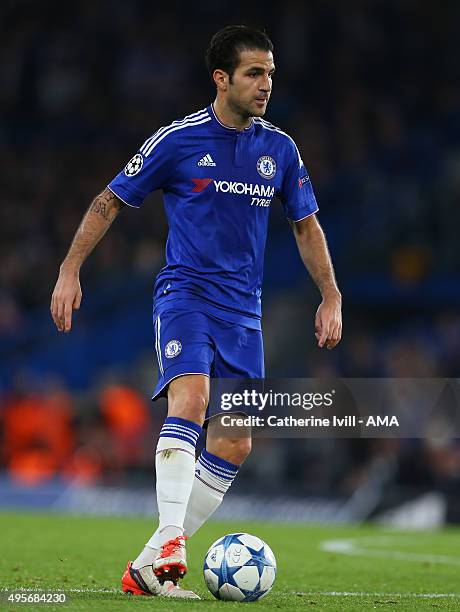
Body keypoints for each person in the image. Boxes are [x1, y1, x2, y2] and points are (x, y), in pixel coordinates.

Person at [50, 25, 342, 599]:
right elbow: (110, 200)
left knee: (235, 441)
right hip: (185, 295)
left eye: (271, 74)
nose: (266, 85)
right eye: (255, 73)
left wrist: (330, 294)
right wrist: (69, 269)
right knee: (192, 398)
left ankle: (149, 562)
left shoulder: (280, 149)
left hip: (244, 312)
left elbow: (306, 226)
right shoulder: (176, 142)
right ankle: (170, 540)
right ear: (222, 78)